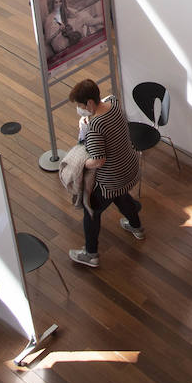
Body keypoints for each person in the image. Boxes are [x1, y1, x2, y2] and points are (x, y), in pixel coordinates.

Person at [67, 79, 143, 269]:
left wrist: (81, 163)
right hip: (130, 167)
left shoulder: (95, 128)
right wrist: (88, 119)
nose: (80, 109)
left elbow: (98, 160)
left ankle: (90, 254)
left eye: (80, 106)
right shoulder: (115, 105)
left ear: (89, 103)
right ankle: (136, 226)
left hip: (112, 178)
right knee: (120, 196)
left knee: (91, 209)